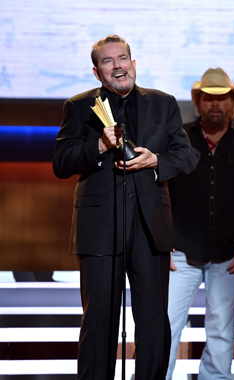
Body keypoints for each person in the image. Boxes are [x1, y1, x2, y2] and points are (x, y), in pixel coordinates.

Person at [52, 35, 199, 379]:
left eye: (122, 59)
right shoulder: (78, 106)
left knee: (152, 323)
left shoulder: (163, 104)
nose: (117, 66)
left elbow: (187, 156)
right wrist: (99, 147)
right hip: (100, 230)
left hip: (151, 228)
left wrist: (156, 160)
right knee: (99, 322)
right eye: (108, 61)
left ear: (134, 64)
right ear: (96, 71)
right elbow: (61, 162)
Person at [166, 67, 234, 379]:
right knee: (165, 326)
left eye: (222, 97)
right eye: (208, 98)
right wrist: (163, 241)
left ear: (233, 102)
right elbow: (160, 192)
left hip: (230, 254)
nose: (215, 103)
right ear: (198, 101)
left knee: (222, 331)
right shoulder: (177, 139)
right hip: (180, 253)